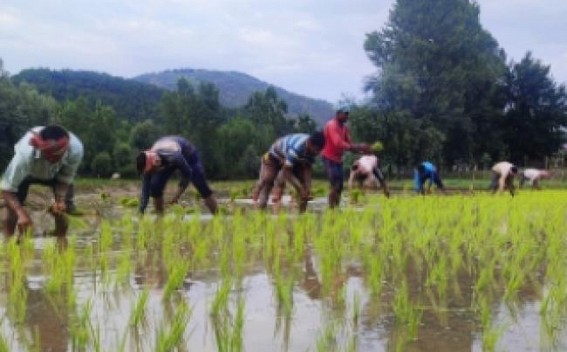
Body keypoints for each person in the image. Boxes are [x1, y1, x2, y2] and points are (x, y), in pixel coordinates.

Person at [1, 125, 83, 239]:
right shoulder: (25, 154)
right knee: (11, 208)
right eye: (49, 156)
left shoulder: (76, 149)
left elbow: (64, 179)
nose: (52, 160)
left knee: (62, 210)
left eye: (57, 156)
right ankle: (7, 242)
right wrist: (21, 213)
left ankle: (61, 241)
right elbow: (7, 189)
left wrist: (60, 200)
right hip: (28, 172)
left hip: (57, 174)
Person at [136, 136, 218, 215]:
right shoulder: (147, 169)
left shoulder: (174, 156)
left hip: (187, 154)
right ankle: (160, 219)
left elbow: (187, 173)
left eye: (152, 170)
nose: (151, 173)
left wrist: (176, 196)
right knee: (155, 188)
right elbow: (145, 192)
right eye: (149, 171)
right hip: (164, 148)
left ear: (156, 162)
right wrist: (141, 211)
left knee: (201, 185)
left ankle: (218, 218)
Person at [252, 131, 325, 213]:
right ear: (310, 144)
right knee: (268, 180)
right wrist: (300, 188)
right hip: (275, 155)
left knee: (304, 188)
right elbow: (287, 172)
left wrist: (307, 187)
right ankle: (260, 209)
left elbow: (307, 169)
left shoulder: (312, 151)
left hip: (293, 160)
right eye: (316, 150)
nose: (317, 153)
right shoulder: (297, 148)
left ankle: (301, 216)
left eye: (319, 150)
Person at [321, 107, 371, 208]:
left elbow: (350, 144)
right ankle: (331, 209)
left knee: (340, 186)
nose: (347, 116)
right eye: (345, 114)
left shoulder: (344, 128)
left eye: (347, 114)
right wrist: (357, 146)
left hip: (338, 159)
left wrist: (362, 149)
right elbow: (338, 143)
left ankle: (336, 208)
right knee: (334, 184)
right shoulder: (331, 125)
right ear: (338, 114)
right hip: (329, 158)